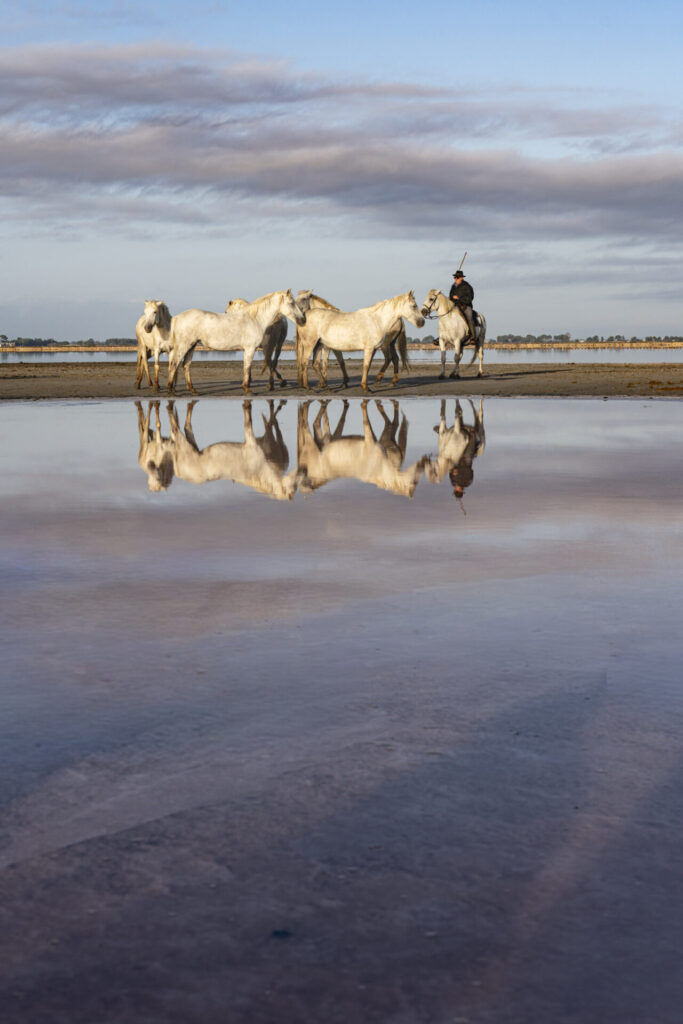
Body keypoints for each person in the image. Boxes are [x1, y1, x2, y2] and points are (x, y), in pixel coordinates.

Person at [449, 269, 476, 342]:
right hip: (455, 306)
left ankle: (473, 337)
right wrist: (452, 298)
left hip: (465, 306)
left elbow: (470, 297)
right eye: (455, 277)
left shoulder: (467, 286)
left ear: (461, 278)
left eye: (457, 277)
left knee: (470, 318)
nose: (455, 279)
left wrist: (459, 298)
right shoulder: (453, 286)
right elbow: (450, 296)